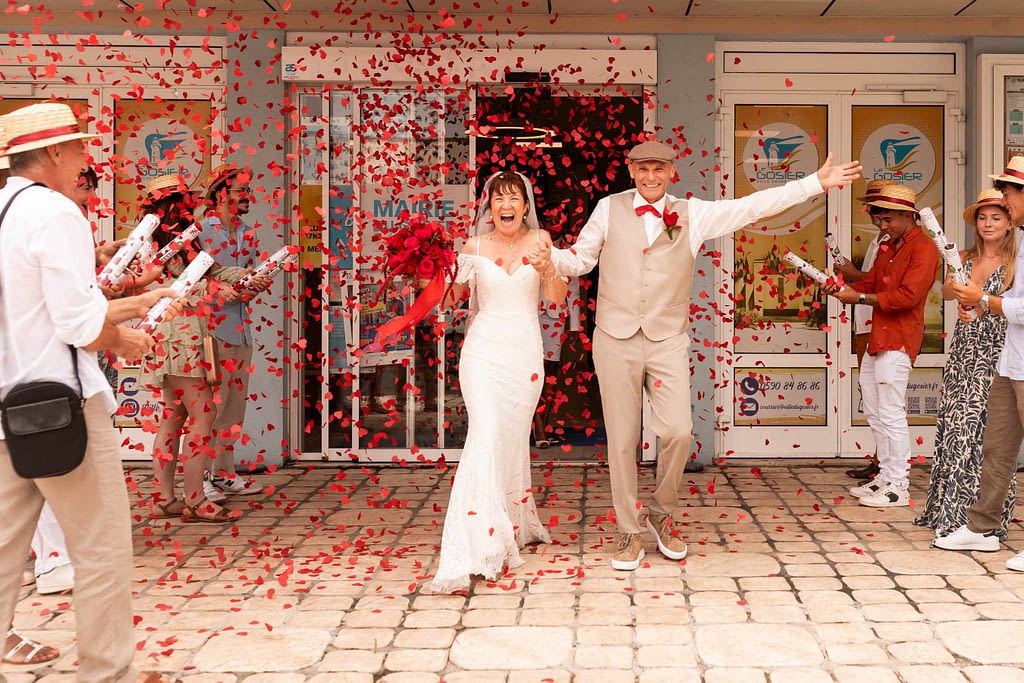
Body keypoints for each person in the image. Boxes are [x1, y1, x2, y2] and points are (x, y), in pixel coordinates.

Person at [530, 140, 862, 570]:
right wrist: (551, 258)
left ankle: (662, 512)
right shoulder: (609, 209)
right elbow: (580, 259)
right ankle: (629, 530)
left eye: (659, 168)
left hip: (667, 339)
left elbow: (751, 207)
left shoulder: (693, 213)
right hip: (615, 337)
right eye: (643, 168)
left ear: (672, 172)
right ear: (630, 171)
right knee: (623, 439)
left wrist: (813, 183)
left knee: (678, 431)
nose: (651, 176)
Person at [0, 102, 181, 683]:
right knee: (101, 546)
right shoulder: (56, 212)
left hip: (6, 402)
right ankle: (109, 672)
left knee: (4, 545)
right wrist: (125, 339)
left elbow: (33, 304)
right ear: (53, 152)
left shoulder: (5, 209)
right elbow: (78, 324)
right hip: (62, 405)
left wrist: (115, 289)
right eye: (78, 147)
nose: (84, 158)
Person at [430, 171, 568, 592]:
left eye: (514, 199)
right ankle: (478, 541)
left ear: (525, 206)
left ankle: (512, 520)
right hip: (482, 352)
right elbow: (452, 298)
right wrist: (431, 274)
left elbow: (556, 298)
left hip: (523, 354)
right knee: (486, 435)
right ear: (489, 207)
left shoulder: (541, 240)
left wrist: (548, 268)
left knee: (510, 440)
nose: (506, 206)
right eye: (498, 199)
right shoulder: (473, 247)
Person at [139, 173, 246, 523]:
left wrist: (246, 277)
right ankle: (196, 499)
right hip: (180, 336)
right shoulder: (166, 244)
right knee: (203, 414)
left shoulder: (165, 240)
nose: (190, 207)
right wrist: (220, 290)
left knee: (173, 416)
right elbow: (180, 287)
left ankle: (164, 499)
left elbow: (212, 272)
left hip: (169, 336)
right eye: (184, 201)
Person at [827, 185, 940, 508]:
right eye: (878, 220)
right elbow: (872, 282)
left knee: (890, 412)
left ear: (908, 215)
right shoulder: (890, 245)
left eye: (888, 220)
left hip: (900, 338)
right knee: (875, 409)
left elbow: (909, 297)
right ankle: (886, 476)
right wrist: (841, 286)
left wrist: (858, 296)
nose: (882, 226)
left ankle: (899, 486)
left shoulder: (924, 248)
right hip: (879, 337)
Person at [936, 156, 1024, 572]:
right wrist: (979, 304)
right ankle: (982, 527)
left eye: (1006, 195)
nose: (1003, 203)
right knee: (997, 447)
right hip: (1010, 362)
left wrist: (984, 300)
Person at [915, 189, 1016, 538]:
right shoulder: (962, 257)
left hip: (997, 352)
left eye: (996, 218)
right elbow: (945, 292)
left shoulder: (1015, 263)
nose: (988, 224)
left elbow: (1010, 307)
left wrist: (983, 301)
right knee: (956, 427)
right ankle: (951, 511)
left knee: (985, 432)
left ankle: (981, 515)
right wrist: (958, 285)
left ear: (1009, 224)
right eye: (983, 218)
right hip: (964, 351)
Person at [198, 163, 265, 500]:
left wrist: (254, 286)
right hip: (209, 330)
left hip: (241, 330)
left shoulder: (249, 233)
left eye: (248, 190)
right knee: (209, 407)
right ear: (220, 194)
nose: (247, 196)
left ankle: (224, 472)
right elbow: (190, 279)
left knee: (234, 407)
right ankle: (201, 477)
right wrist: (220, 292)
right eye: (241, 191)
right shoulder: (199, 230)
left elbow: (249, 274)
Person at [836, 179, 894, 481]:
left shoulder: (895, 242)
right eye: (872, 208)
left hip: (882, 325)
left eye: (880, 209)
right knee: (871, 396)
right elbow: (871, 281)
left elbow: (885, 287)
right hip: (866, 322)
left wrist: (853, 275)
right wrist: (853, 280)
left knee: (883, 397)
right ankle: (880, 459)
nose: (875, 214)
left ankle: (887, 465)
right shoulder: (877, 240)